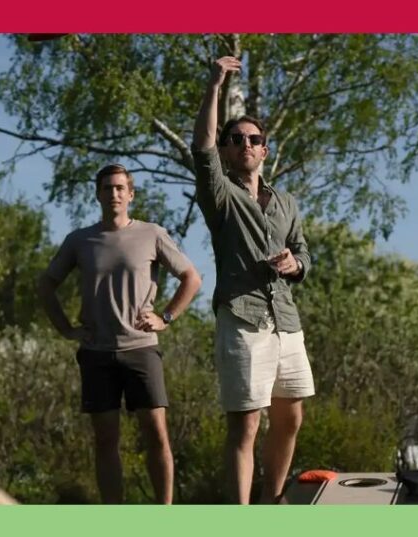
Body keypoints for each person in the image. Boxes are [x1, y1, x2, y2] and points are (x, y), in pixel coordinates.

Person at [37, 163, 202, 504]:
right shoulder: (80, 240)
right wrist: (66, 328)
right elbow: (46, 286)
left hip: (142, 349)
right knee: (105, 439)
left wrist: (166, 316)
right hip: (97, 352)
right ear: (98, 194)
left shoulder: (152, 233)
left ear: (131, 194)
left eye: (119, 188)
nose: (113, 194)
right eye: (107, 188)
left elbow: (192, 278)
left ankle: (164, 514)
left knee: (156, 434)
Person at [191, 56, 316, 504]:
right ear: (227, 150)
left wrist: (295, 264)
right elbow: (201, 148)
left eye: (254, 139)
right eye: (236, 139)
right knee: (245, 425)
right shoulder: (219, 195)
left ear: (265, 150)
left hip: (286, 322)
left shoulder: (287, 202)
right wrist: (215, 86)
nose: (245, 144)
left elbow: (303, 251)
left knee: (291, 417)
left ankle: (271, 503)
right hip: (242, 321)